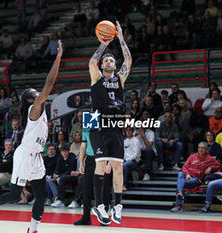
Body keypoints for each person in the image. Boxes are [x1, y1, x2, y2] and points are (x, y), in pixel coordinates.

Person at [0, 40, 63, 233]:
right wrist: (58, 58)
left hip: (37, 156)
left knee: (40, 196)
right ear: (29, 99)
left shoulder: (41, 113)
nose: (39, 93)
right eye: (35, 93)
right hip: (25, 154)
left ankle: (32, 229)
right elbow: (49, 84)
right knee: (16, 194)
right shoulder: (34, 110)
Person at [88, 21, 132, 225]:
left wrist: (121, 39)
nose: (107, 62)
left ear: (114, 65)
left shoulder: (120, 79)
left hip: (115, 124)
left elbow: (129, 61)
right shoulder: (96, 78)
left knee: (118, 166)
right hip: (98, 123)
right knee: (100, 164)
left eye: (110, 61)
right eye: (105, 60)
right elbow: (91, 62)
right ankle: (100, 206)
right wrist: (103, 44)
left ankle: (118, 205)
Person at [171, 142, 220, 212]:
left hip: (197, 179)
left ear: (207, 149)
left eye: (203, 148)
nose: (200, 149)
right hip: (187, 176)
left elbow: (219, 165)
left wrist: (211, 168)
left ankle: (178, 204)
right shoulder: (192, 156)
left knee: (180, 185)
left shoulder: (210, 159)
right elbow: (184, 166)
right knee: (180, 174)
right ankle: (179, 194)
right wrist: (187, 174)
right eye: (199, 147)